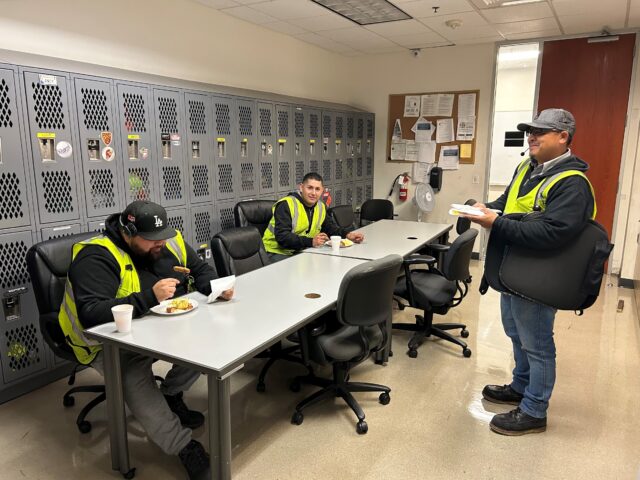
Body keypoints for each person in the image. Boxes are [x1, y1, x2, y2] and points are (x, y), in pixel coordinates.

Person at [59, 200, 234, 480]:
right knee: (132, 375)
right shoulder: (96, 256)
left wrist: (215, 288)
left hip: (155, 327)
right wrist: (149, 297)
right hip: (103, 341)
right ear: (127, 233)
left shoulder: (170, 241)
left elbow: (200, 269)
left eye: (162, 236)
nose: (160, 244)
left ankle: (171, 394)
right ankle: (184, 446)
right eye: (151, 239)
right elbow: (91, 315)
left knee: (207, 339)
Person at [464, 109, 596, 436]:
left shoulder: (572, 184)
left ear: (563, 137)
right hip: (514, 270)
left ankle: (535, 409)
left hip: (540, 277)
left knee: (536, 343)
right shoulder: (527, 166)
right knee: (515, 332)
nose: (531, 137)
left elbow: (552, 234)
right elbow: (508, 202)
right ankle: (520, 386)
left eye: (540, 131)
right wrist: (487, 209)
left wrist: (496, 223)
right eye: (529, 131)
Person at [262, 172, 365, 262]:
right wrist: (311, 242)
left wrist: (347, 235)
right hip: (277, 252)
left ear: (322, 191)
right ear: (301, 187)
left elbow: (330, 228)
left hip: (302, 250)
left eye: (317, 189)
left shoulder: (320, 206)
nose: (313, 193)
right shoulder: (287, 204)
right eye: (310, 188)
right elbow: (282, 237)